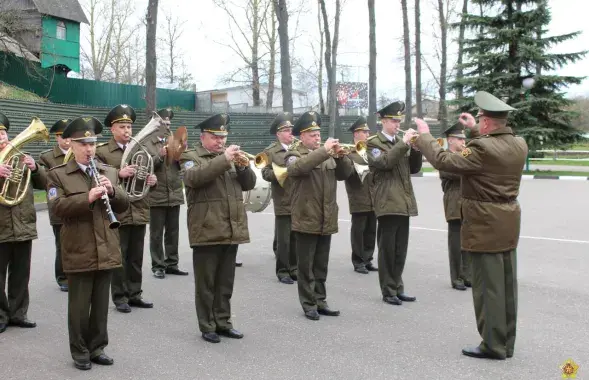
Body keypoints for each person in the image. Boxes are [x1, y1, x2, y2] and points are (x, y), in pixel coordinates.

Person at [413, 90, 527, 360]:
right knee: (506, 286)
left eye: (480, 120)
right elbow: (489, 150)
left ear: (487, 122)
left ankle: (492, 345)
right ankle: (506, 342)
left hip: (484, 223)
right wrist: (475, 131)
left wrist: (425, 135)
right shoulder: (519, 144)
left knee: (488, 289)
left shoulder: (481, 148)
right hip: (507, 220)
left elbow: (444, 161)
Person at [47, 116, 130, 370]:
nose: (89, 149)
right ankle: (80, 350)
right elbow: (56, 208)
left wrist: (114, 191)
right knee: (80, 307)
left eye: (92, 143)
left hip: (106, 247)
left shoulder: (108, 171)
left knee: (101, 305)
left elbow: (125, 205)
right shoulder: (58, 175)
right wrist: (87, 197)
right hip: (79, 248)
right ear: (71, 144)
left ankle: (97, 347)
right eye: (83, 143)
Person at [179, 113, 256, 343]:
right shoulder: (190, 156)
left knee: (225, 282)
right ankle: (207, 325)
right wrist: (224, 159)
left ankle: (223, 322)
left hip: (230, 227)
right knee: (206, 284)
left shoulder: (228, 158)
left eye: (223, 137)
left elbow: (249, 184)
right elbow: (194, 178)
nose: (220, 141)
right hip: (206, 228)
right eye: (215, 137)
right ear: (203, 137)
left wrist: (243, 167)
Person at [285, 111, 354, 320]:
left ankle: (321, 300)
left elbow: (345, 174)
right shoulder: (294, 154)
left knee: (321, 265)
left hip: (327, 216)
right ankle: (308, 304)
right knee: (306, 267)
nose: (317, 138)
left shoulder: (326, 154)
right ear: (302, 136)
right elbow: (298, 168)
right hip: (306, 216)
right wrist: (324, 151)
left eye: (318, 134)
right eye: (312, 135)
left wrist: (341, 157)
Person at [96, 104, 157, 312]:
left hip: (138, 209)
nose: (127, 131)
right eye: (122, 127)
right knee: (119, 256)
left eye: (129, 127)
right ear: (112, 129)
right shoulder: (102, 151)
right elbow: (96, 174)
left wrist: (151, 180)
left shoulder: (141, 150)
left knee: (136, 257)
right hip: (117, 210)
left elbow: (145, 177)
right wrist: (118, 174)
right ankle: (120, 296)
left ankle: (135, 293)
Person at [366, 101, 422, 306]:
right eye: (393, 120)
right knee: (388, 250)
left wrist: (416, 149)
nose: (397, 124)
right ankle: (388, 290)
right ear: (383, 121)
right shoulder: (373, 143)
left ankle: (398, 287)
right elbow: (384, 163)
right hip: (387, 202)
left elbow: (414, 169)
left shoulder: (401, 142)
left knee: (400, 250)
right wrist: (404, 143)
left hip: (404, 202)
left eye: (398, 120)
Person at [0, 111, 47, 334]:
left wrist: (36, 168)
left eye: (4, 133)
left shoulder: (21, 156)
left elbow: (47, 184)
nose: (2, 138)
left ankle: (18, 313)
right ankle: (1, 315)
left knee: (21, 273)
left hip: (23, 225)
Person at [145, 108, 188, 278]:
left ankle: (172, 263)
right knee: (156, 233)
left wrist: (181, 153)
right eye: (164, 123)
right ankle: (158, 265)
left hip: (174, 192)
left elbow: (182, 164)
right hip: (157, 193)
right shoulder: (148, 142)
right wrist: (160, 155)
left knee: (173, 231)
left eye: (169, 123)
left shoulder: (174, 140)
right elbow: (146, 166)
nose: (168, 126)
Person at [261, 112, 298, 284]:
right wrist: (280, 174)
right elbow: (265, 172)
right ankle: (283, 271)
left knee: (297, 237)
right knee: (284, 239)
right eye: (286, 130)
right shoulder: (270, 151)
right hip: (283, 198)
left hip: (300, 198)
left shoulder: (298, 149)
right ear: (278, 134)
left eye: (291, 129)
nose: (290, 133)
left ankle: (294, 268)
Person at [38, 118, 71, 292]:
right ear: (57, 138)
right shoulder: (47, 156)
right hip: (58, 207)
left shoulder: (77, 153)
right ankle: (62, 276)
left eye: (69, 136)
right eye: (63, 136)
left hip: (76, 205)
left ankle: (74, 273)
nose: (67, 140)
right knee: (62, 244)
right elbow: (44, 182)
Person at [438, 122, 471, 291]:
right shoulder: (444, 157)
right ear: (450, 140)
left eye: (464, 139)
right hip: (453, 202)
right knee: (456, 243)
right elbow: (452, 173)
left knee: (467, 241)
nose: (463, 142)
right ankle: (456, 277)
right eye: (459, 139)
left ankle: (467, 275)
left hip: (467, 202)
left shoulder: (465, 155)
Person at [343, 116, 377, 274]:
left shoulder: (370, 152)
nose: (368, 134)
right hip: (358, 197)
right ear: (356, 134)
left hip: (373, 197)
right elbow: (347, 173)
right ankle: (358, 261)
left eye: (368, 131)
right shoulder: (349, 152)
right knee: (359, 231)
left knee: (371, 230)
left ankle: (368, 259)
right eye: (364, 131)